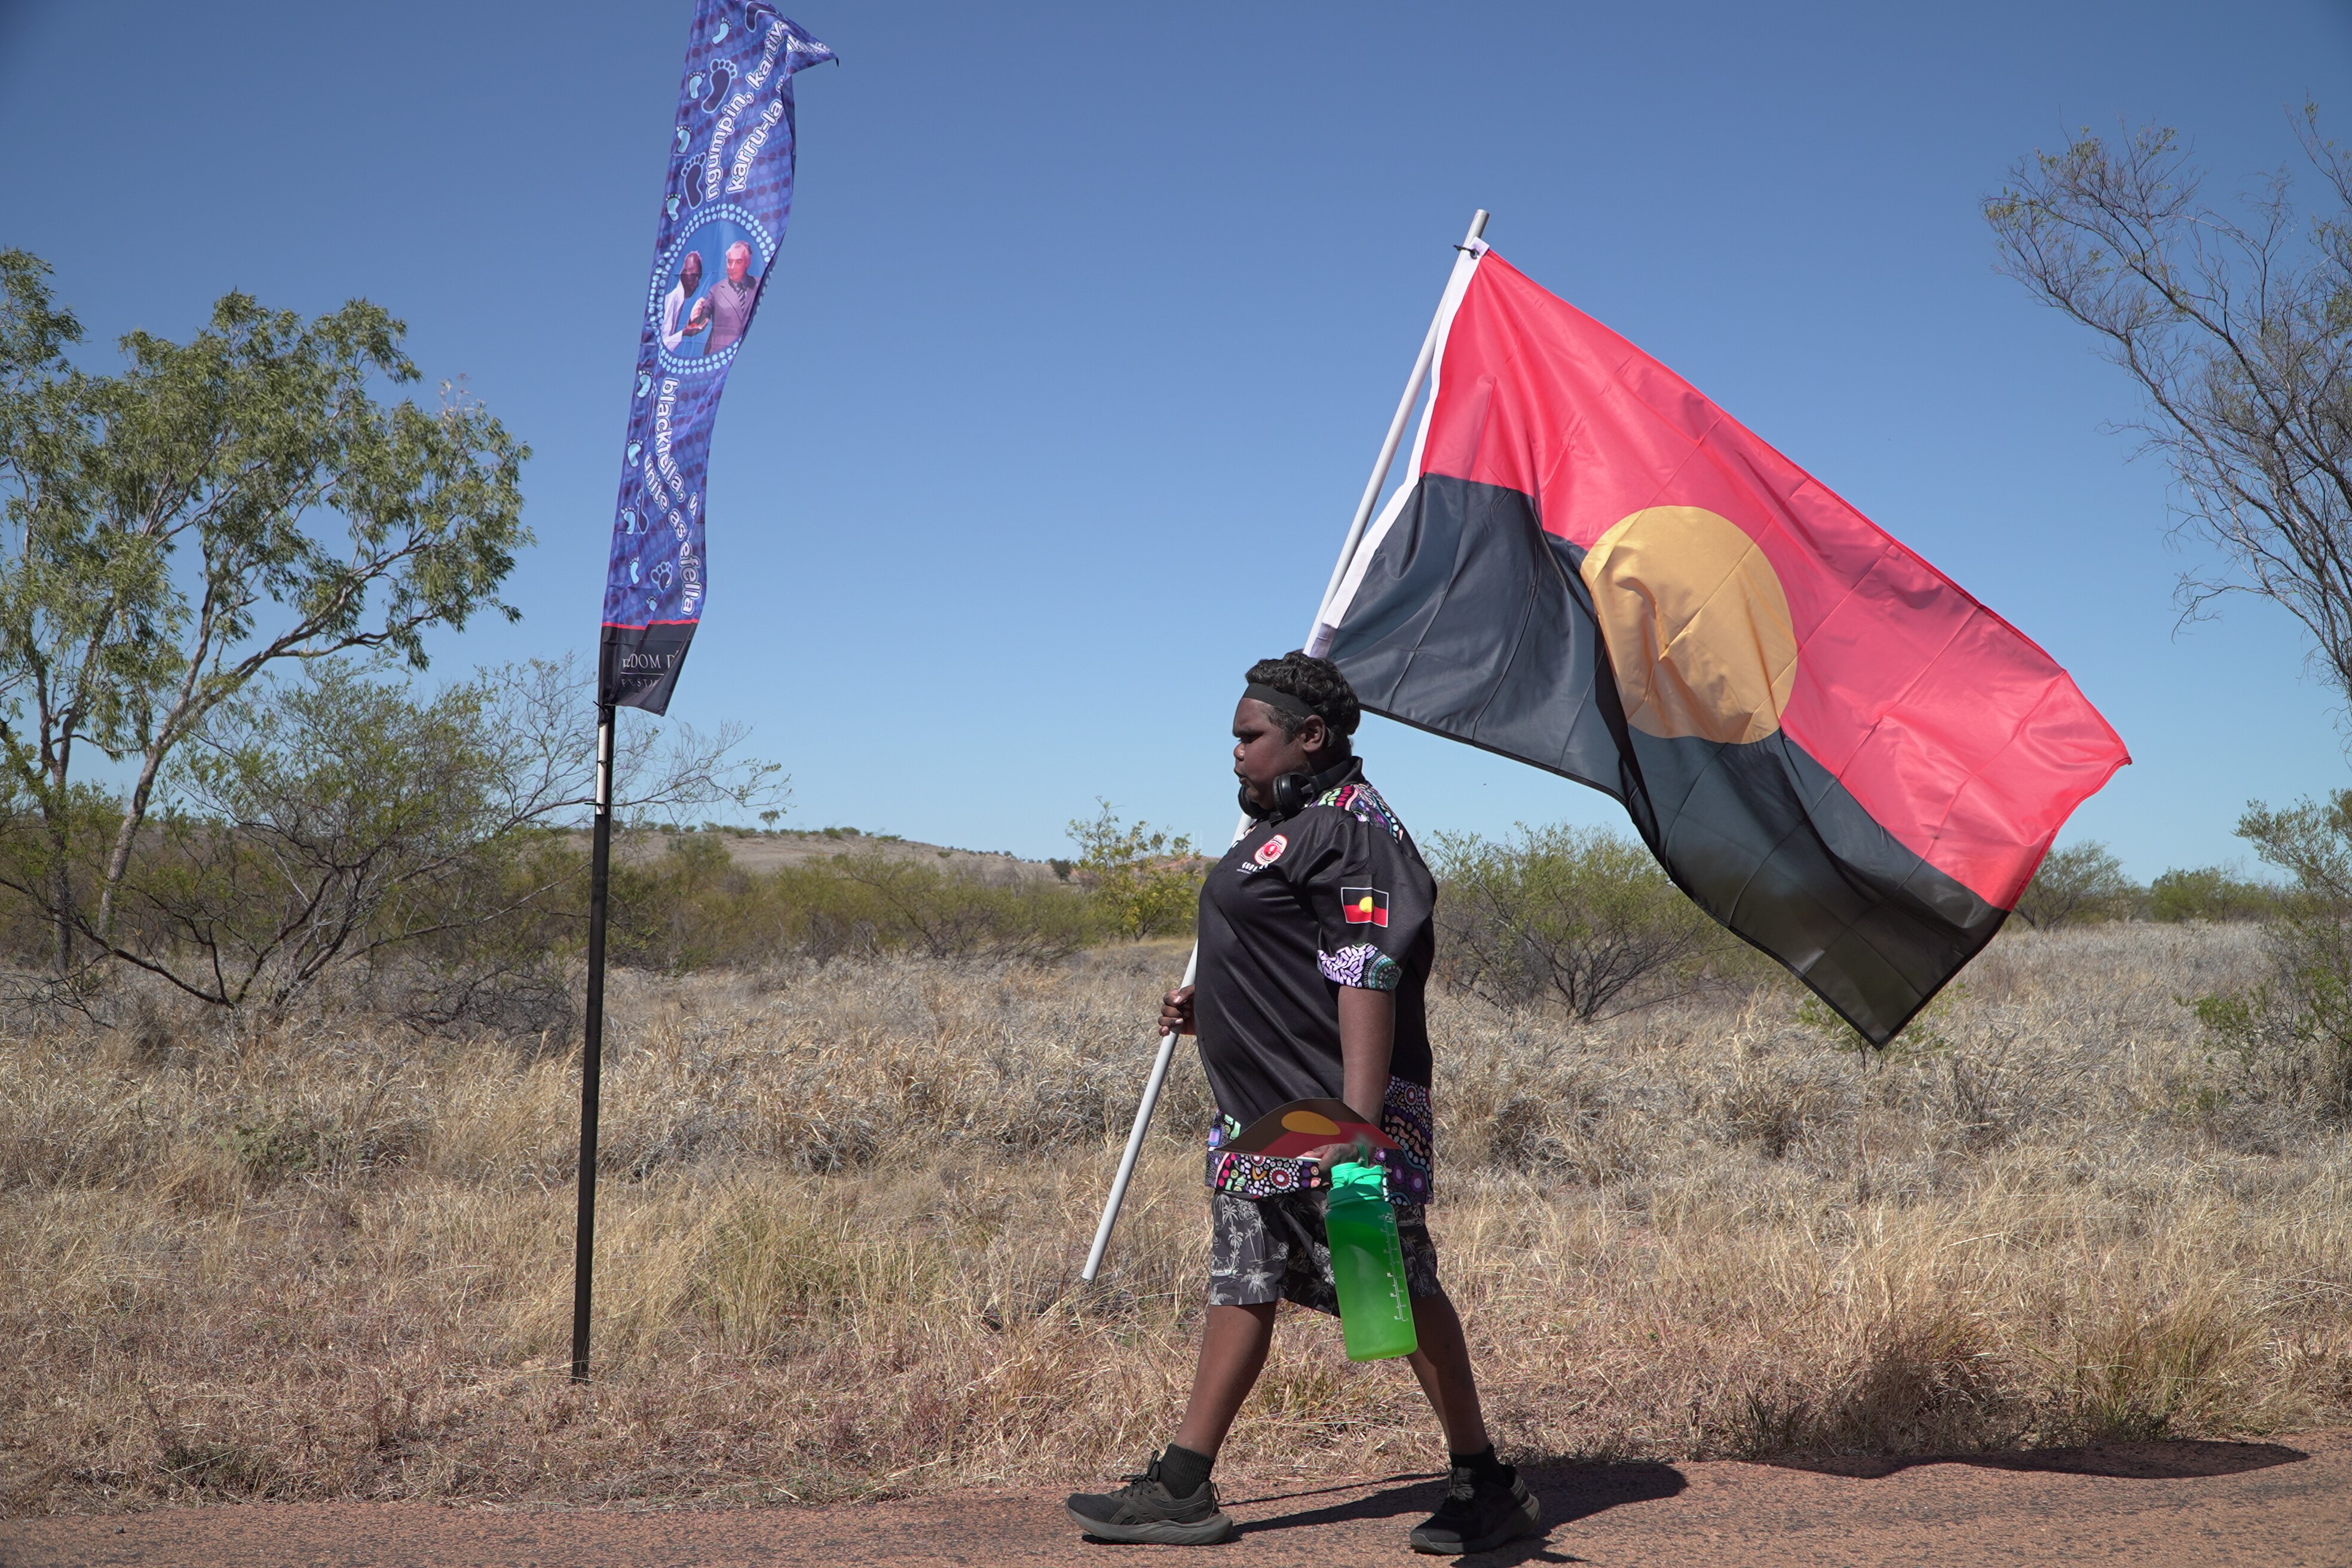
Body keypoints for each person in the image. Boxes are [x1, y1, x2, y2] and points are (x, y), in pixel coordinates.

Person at [1065, 652, 1541, 1555]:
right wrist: (1214, 1012)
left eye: (1251, 737)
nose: (1235, 754)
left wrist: (1356, 1126)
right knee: (1242, 1285)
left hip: (1332, 1123)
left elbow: (1367, 970)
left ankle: (1489, 1485)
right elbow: (1294, 963)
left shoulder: (1354, 829)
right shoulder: (1294, 825)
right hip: (1265, 1120)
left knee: (1386, 1288)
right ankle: (1182, 1486)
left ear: (1309, 737)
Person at [705, 240, 760, 353]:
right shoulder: (716, 290)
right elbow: (702, 315)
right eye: (730, 262)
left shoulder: (758, 286)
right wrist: (695, 318)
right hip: (721, 358)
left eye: (738, 262)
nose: (732, 267)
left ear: (748, 263)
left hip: (752, 356)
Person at [661, 251, 708, 354]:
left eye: (698, 278)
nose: (697, 283)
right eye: (694, 275)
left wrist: (688, 327)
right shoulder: (673, 300)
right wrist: (684, 333)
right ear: (683, 273)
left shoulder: (680, 301)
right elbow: (662, 346)